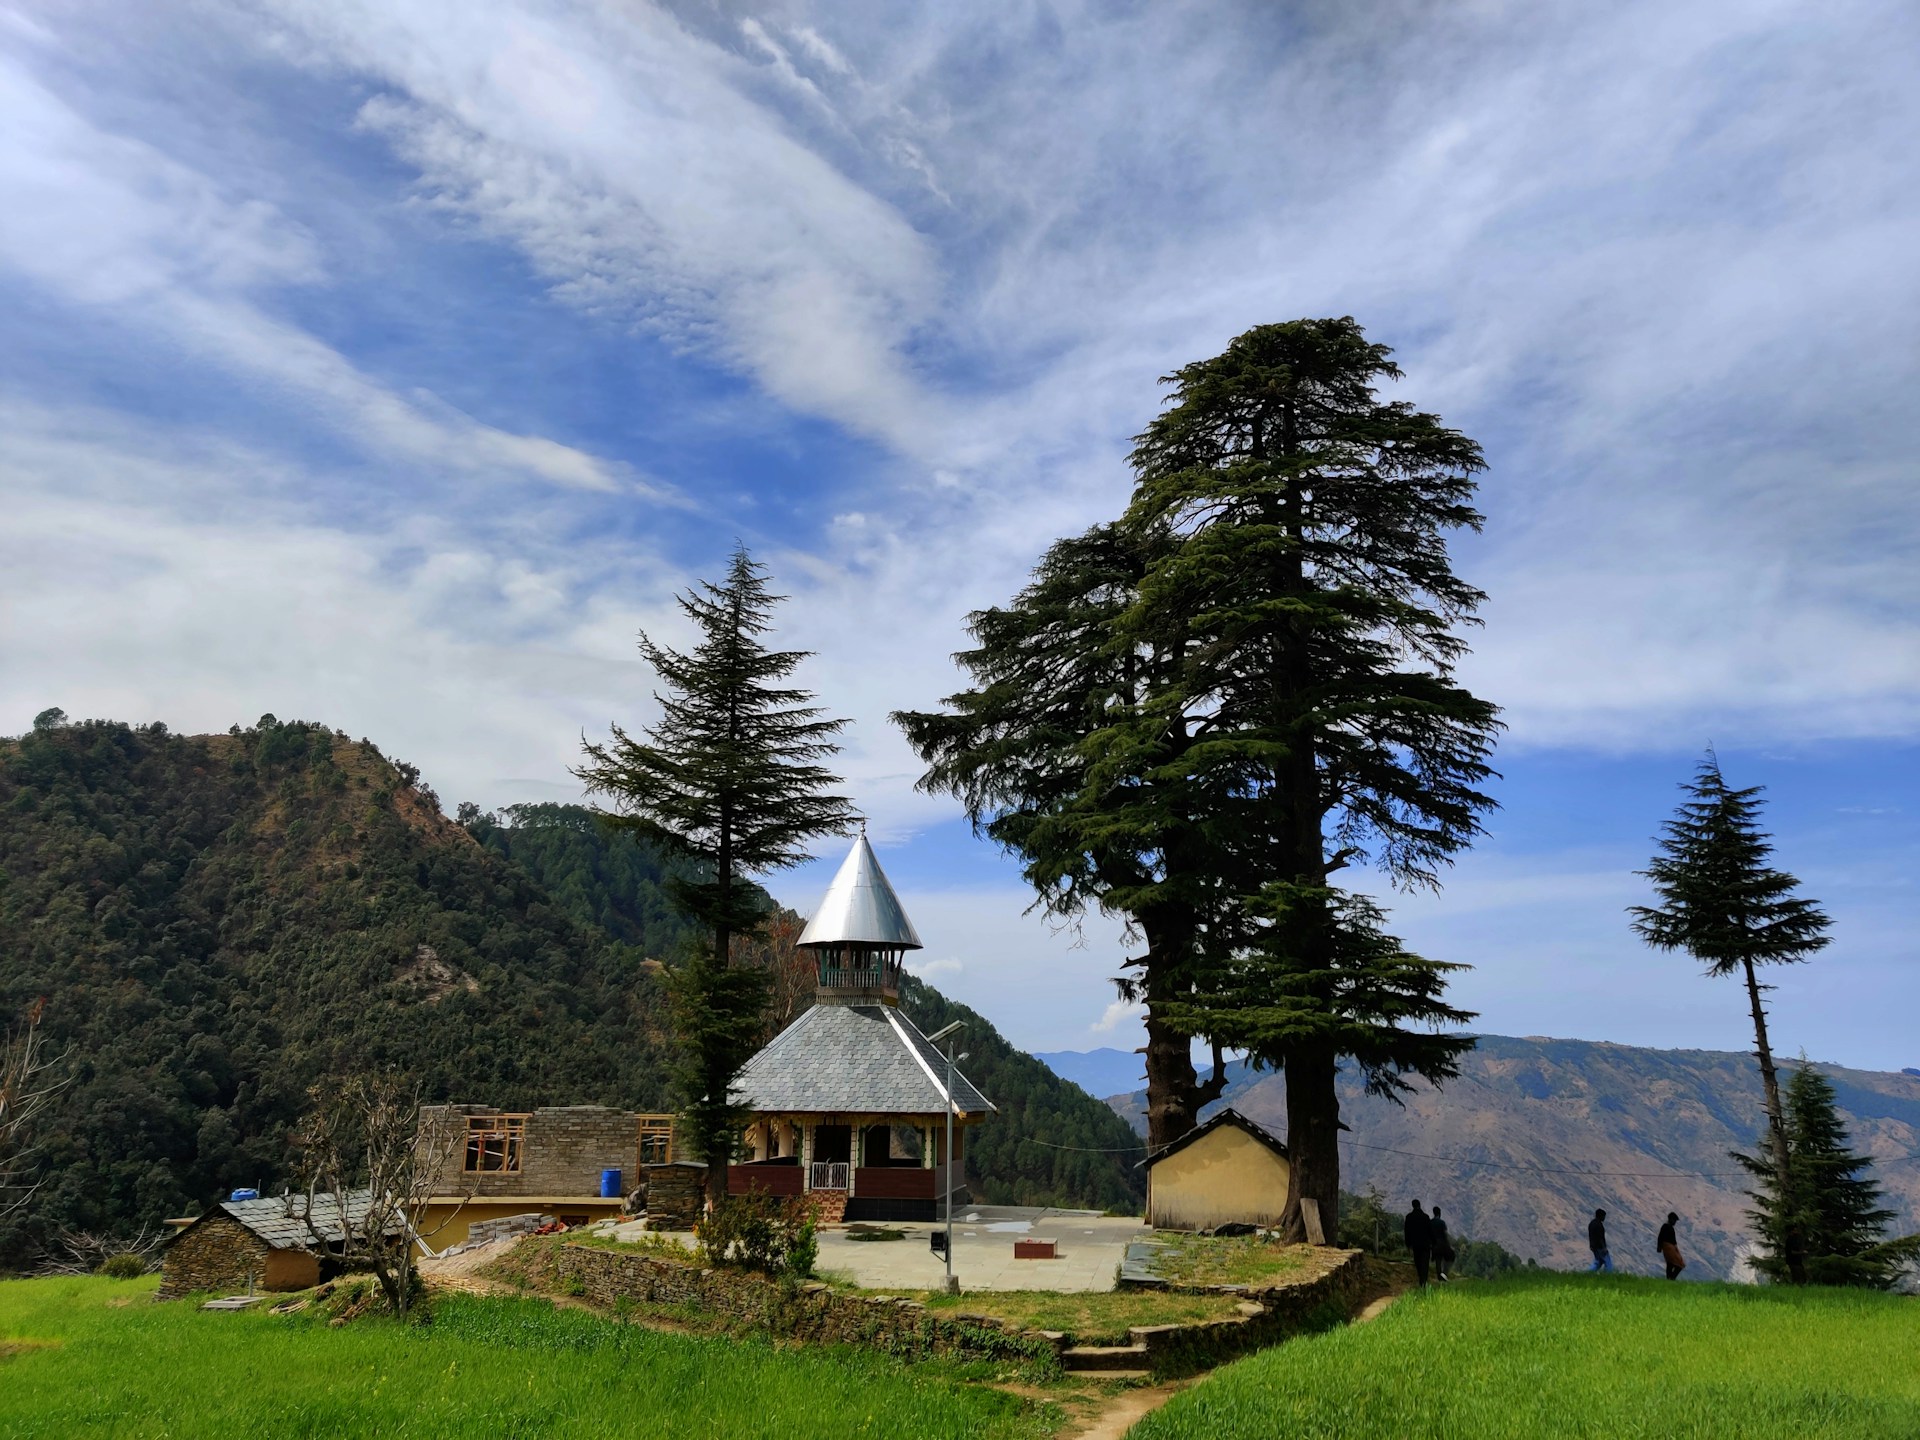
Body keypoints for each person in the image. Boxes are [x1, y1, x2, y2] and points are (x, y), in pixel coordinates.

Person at [1404, 1199, 1433, 1286]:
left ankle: (1421, 1278)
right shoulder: (1426, 1217)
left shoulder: (1409, 1217)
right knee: (1425, 1263)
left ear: (1412, 1205)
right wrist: (1432, 1243)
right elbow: (1430, 1231)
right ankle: (1424, 1280)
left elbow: (1407, 1231)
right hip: (1425, 1244)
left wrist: (1408, 1244)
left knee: (1418, 1262)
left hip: (1415, 1244)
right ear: (1419, 1205)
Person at [1657, 1212, 1686, 1280]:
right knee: (1678, 1264)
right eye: (1674, 1220)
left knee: (1670, 1264)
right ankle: (1672, 1278)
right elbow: (1660, 1237)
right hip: (1669, 1247)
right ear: (1671, 1219)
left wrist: (1659, 1247)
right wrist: (1659, 1246)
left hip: (1669, 1247)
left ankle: (1669, 1278)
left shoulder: (1668, 1227)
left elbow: (1660, 1237)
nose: (1675, 1222)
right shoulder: (1666, 1227)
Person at [1430, 1205, 1455, 1282]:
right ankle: (1444, 1273)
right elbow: (1444, 1234)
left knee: (1438, 1260)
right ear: (1439, 1213)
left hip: (1434, 1245)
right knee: (1450, 1256)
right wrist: (1448, 1245)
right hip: (1442, 1244)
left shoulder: (1430, 1222)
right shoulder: (1442, 1223)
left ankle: (1439, 1276)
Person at [1587, 1208, 1613, 1273]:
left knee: (1598, 1261)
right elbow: (1600, 1238)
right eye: (1604, 1216)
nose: (1604, 1218)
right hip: (1600, 1247)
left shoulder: (1592, 1223)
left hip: (1594, 1246)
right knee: (1607, 1262)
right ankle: (1608, 1275)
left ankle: (1589, 1273)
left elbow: (1591, 1236)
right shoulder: (1599, 1225)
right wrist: (1604, 1248)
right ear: (1600, 1216)